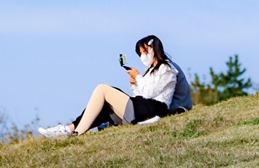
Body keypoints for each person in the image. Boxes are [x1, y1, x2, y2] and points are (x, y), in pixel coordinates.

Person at [38, 36, 178, 138]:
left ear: (154, 49)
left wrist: (138, 77)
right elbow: (142, 93)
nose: (142, 56)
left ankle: (75, 133)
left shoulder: (167, 68)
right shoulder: (149, 71)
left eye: (144, 52)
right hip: (143, 107)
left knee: (102, 89)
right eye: (140, 53)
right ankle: (69, 129)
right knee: (104, 105)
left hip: (153, 109)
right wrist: (134, 84)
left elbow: (149, 92)